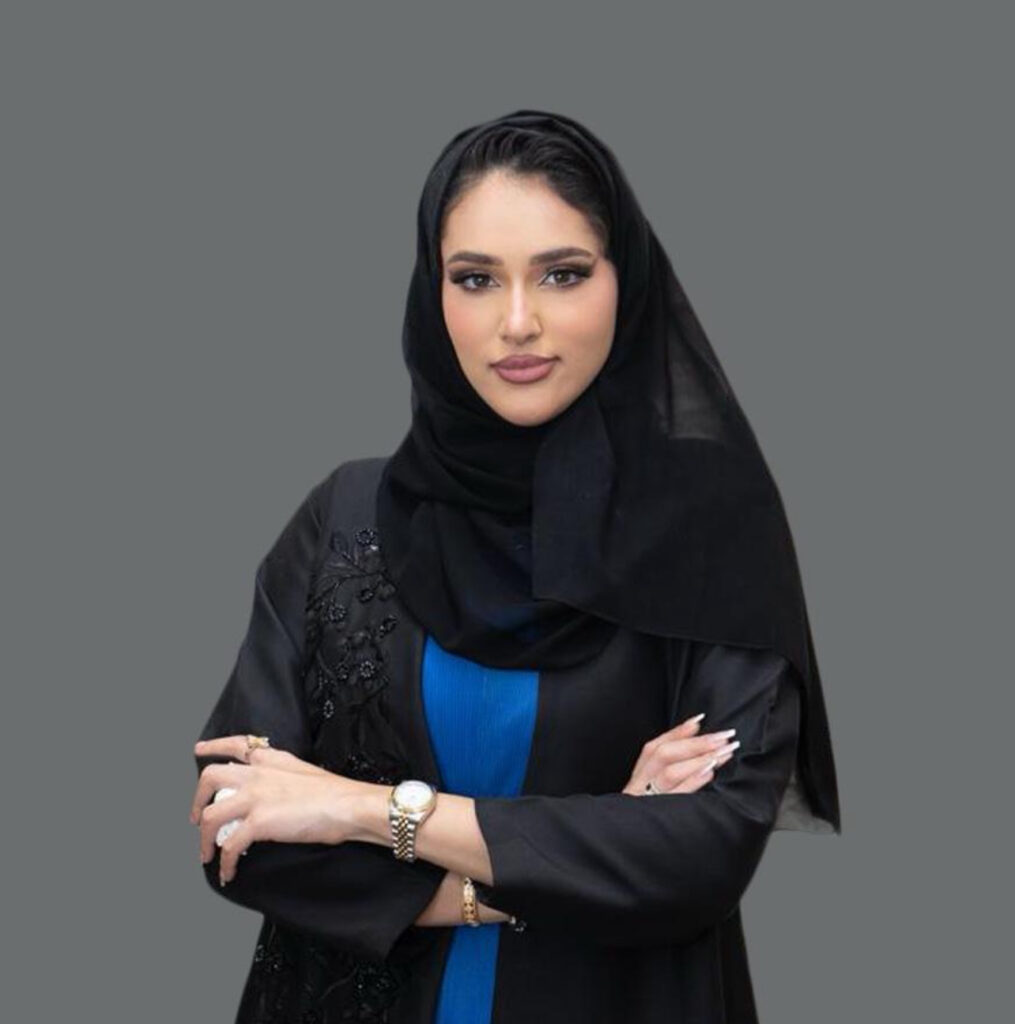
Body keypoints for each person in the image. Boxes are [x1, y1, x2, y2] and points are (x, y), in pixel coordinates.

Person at [190, 108, 840, 1023]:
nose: (518, 322)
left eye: (562, 274)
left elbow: (700, 854)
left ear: (625, 283)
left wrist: (361, 810)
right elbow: (239, 825)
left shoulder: (705, 530)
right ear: (433, 295)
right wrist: (570, 854)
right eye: (475, 279)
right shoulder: (345, 516)